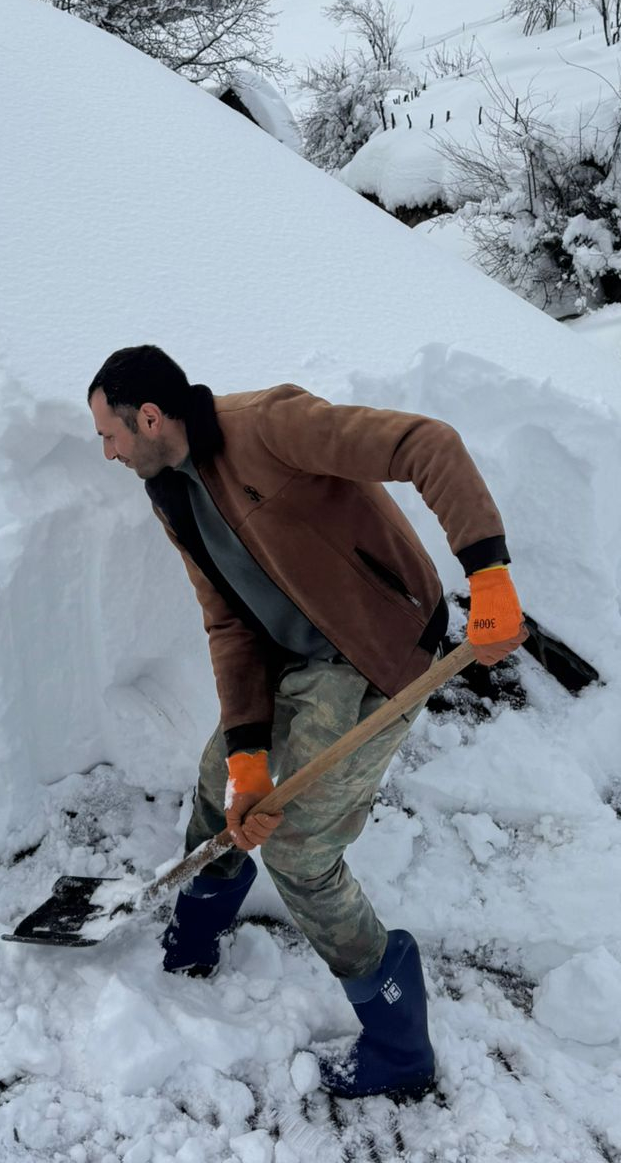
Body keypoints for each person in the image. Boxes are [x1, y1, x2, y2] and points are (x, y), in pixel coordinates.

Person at [87, 345, 526, 1101]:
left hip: (377, 650)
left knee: (299, 850)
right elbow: (229, 622)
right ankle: (197, 929)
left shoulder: (268, 426)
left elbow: (428, 444)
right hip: (295, 654)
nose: (108, 452)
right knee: (218, 783)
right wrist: (248, 756)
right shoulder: (170, 492)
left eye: (110, 435)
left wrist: (487, 572)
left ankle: (398, 1042)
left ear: (150, 418)